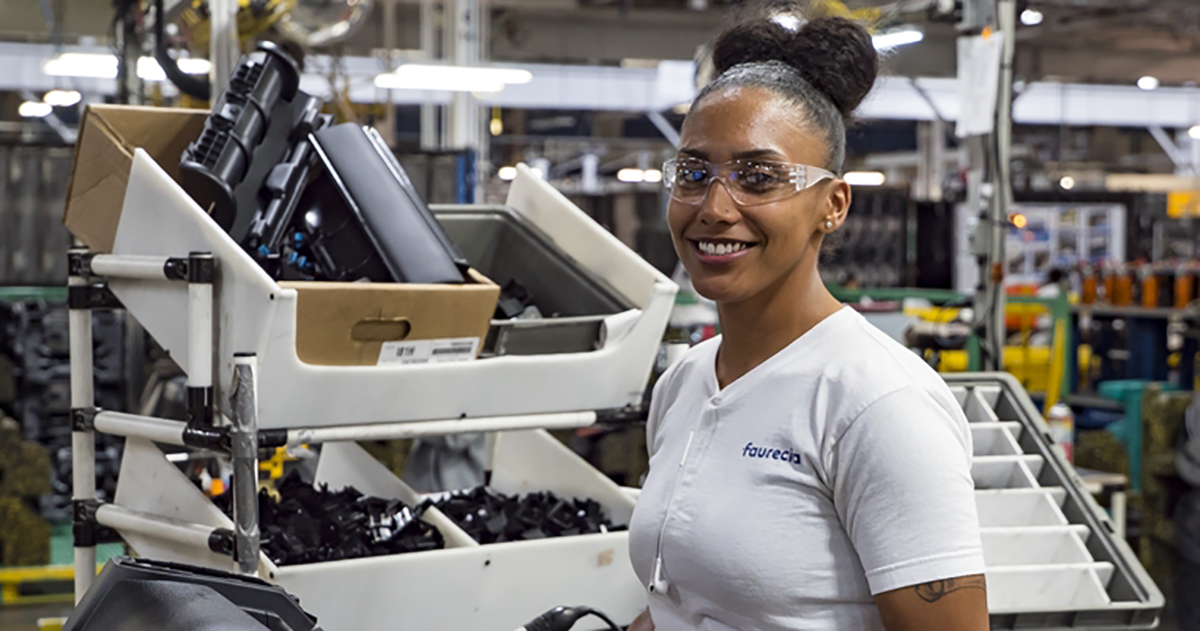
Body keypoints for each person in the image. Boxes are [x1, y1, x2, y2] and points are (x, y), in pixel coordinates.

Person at [626, 6, 988, 630]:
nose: (714, 207)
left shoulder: (876, 404)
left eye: (758, 178)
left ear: (834, 204)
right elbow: (681, 606)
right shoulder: (684, 382)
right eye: (692, 173)